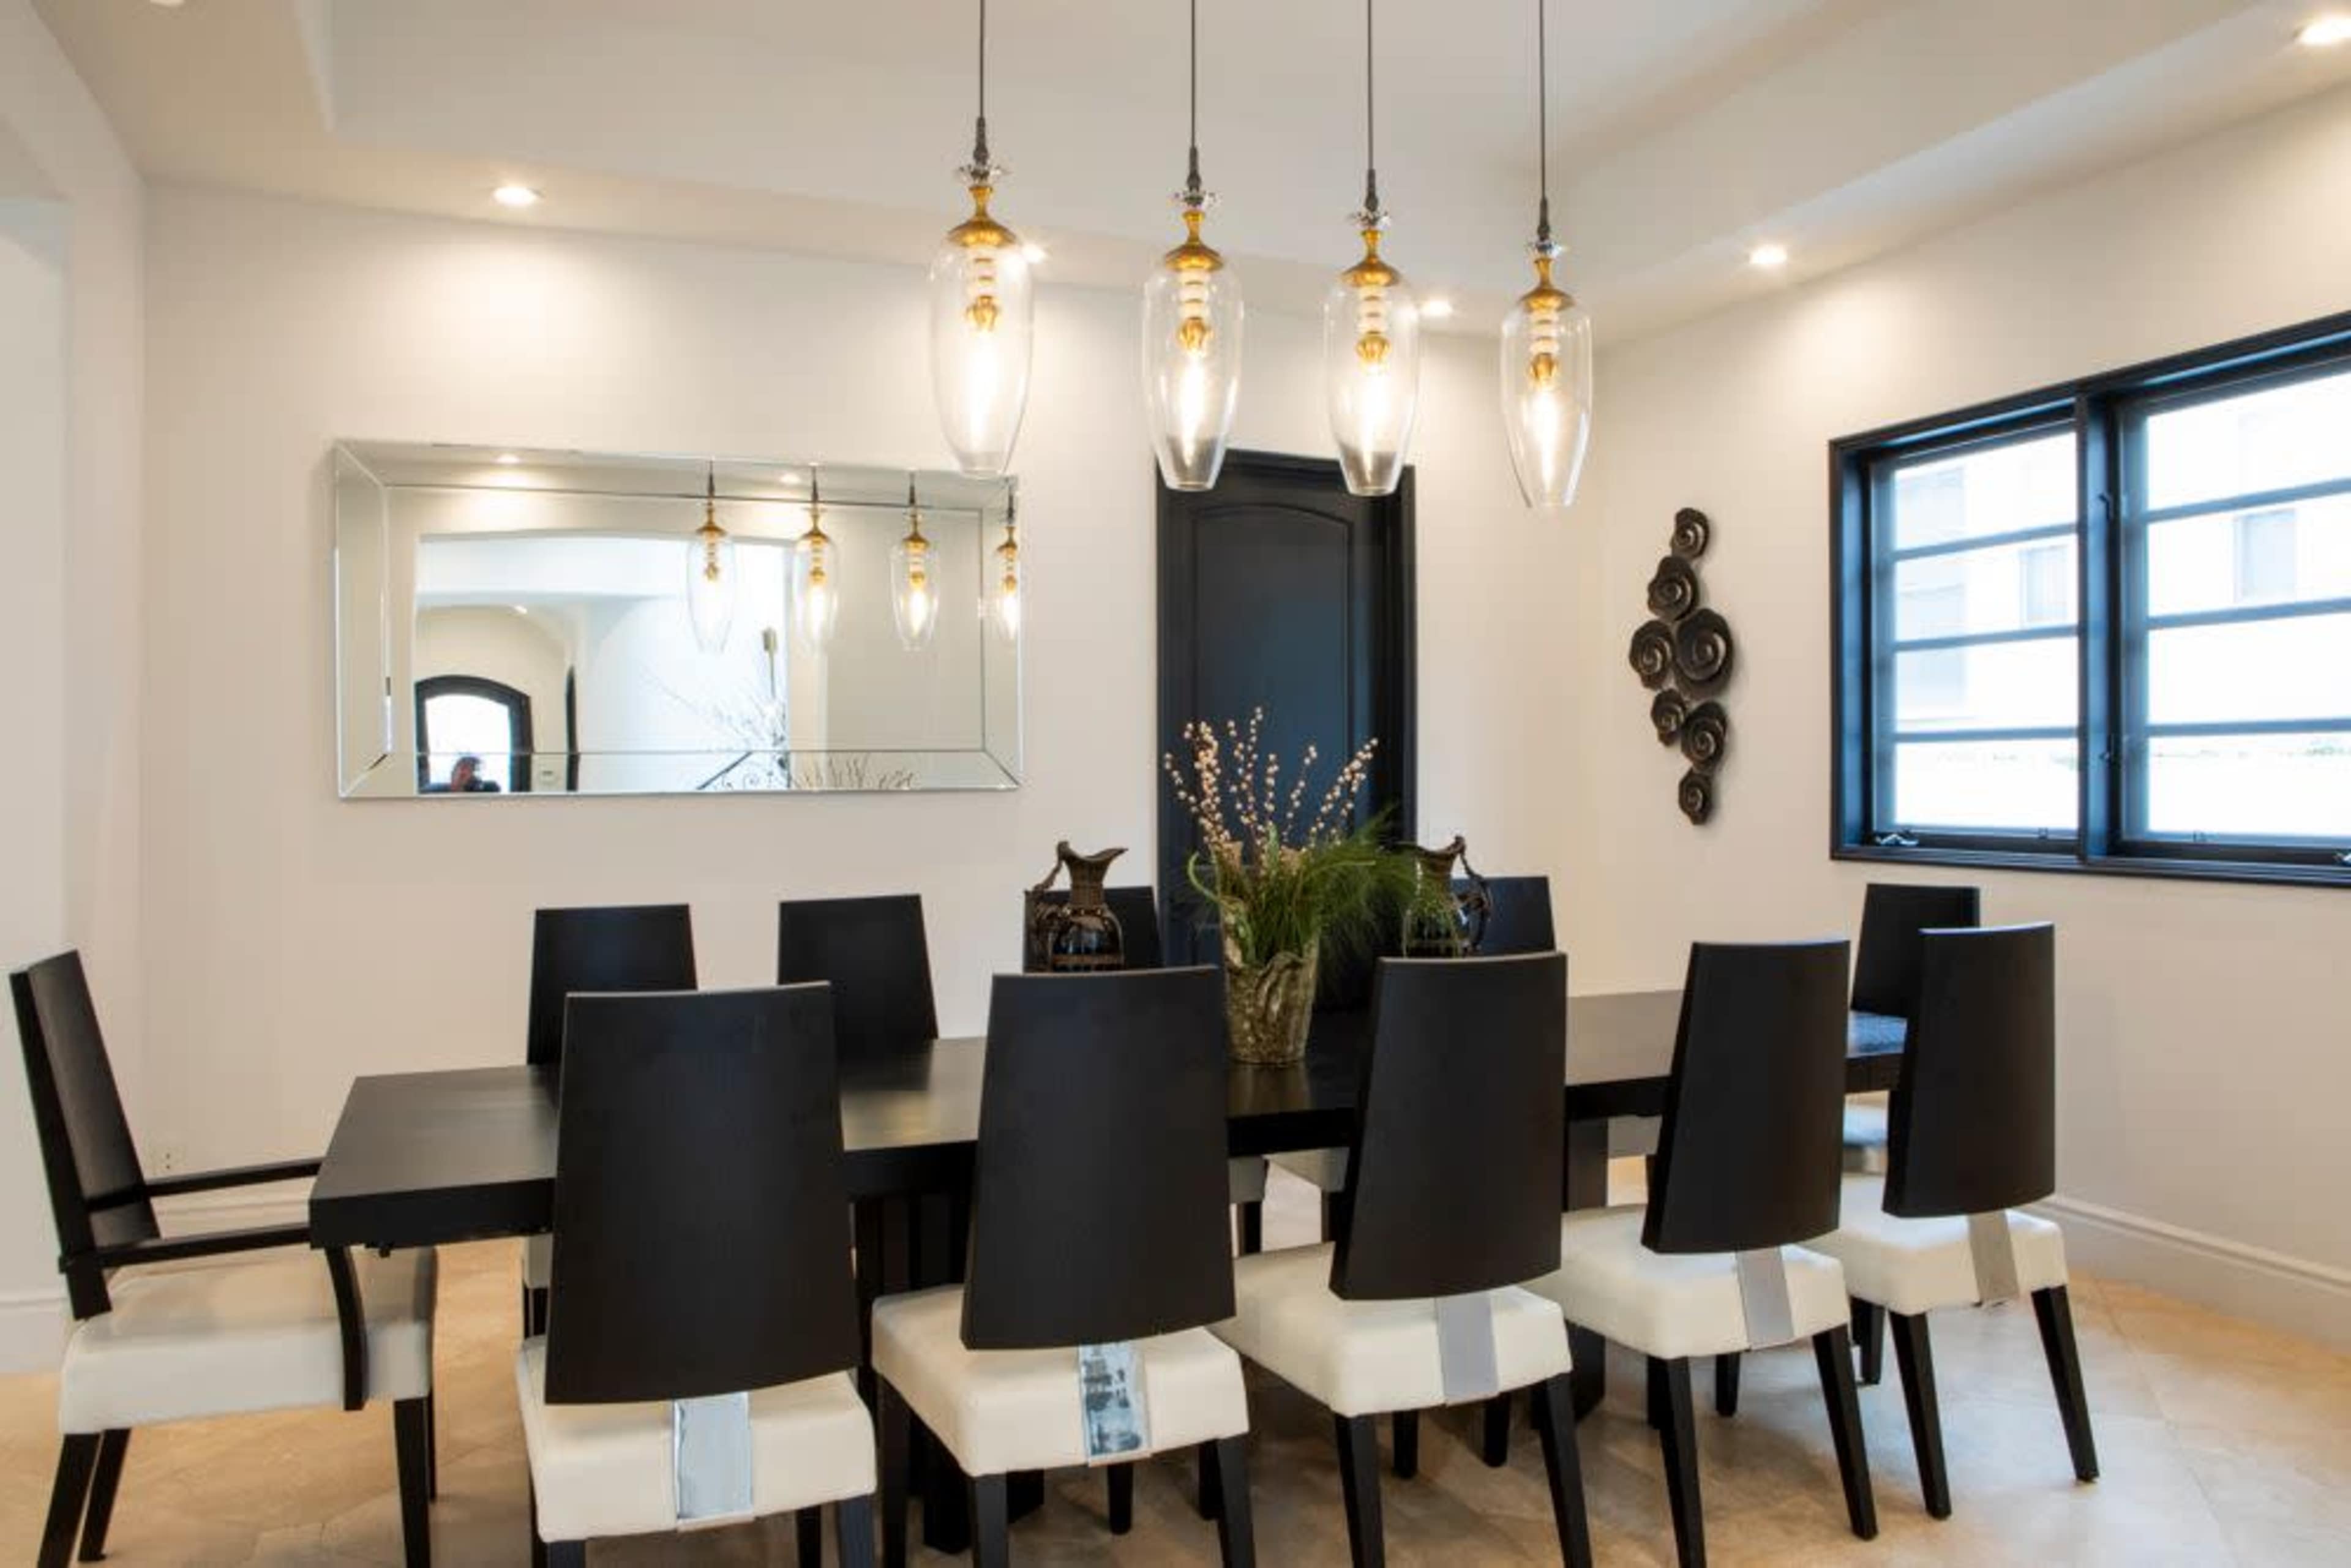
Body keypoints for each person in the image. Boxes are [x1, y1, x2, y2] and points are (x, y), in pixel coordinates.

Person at [427, 755, 502, 793]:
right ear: (452, 773)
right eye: (462, 769)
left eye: (470, 770)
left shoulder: (479, 791)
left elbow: (495, 787)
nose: (463, 773)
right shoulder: (434, 791)